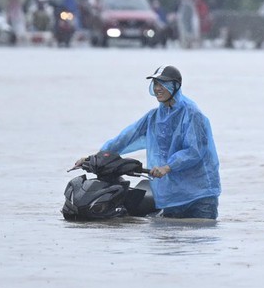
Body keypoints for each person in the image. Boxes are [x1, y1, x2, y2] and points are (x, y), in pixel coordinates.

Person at [79, 65, 221, 218]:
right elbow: (125, 138)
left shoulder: (192, 114)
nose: (158, 88)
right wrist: (95, 158)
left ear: (175, 86)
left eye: (163, 84)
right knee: (170, 233)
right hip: (171, 196)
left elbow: (195, 151)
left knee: (199, 230)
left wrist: (168, 167)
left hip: (199, 196)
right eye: (156, 84)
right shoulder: (154, 116)